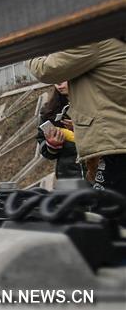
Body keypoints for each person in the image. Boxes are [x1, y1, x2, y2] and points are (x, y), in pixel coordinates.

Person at [28, 38, 126, 195]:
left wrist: (27, 49)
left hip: (114, 147)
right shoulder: (113, 43)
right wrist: (52, 146)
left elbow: (45, 69)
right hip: (111, 147)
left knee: (109, 213)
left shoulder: (92, 41)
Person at [35, 82, 82, 180]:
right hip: (69, 177)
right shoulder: (49, 111)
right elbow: (45, 148)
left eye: (64, 78)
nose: (59, 83)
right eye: (55, 80)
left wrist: (82, 128)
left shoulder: (96, 103)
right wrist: (52, 145)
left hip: (99, 173)